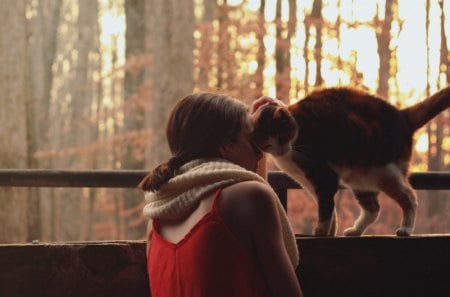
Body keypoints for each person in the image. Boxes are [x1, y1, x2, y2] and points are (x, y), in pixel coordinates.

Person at [139, 92, 303, 297]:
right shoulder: (250, 198)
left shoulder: (155, 222)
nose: (261, 152)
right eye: (253, 141)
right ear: (227, 145)